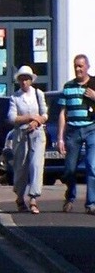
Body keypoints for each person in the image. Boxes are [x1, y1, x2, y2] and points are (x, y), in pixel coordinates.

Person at [57, 54, 95, 214]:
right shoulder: (68, 87)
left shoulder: (94, 84)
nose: (78, 69)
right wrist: (60, 138)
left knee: (92, 167)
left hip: (92, 128)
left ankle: (91, 203)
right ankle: (70, 197)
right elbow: (62, 113)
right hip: (73, 131)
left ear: (87, 67)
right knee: (70, 169)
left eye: (81, 66)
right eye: (76, 66)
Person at [8, 65, 47, 215]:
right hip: (21, 135)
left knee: (36, 165)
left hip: (37, 133)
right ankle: (19, 197)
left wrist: (37, 121)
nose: (24, 82)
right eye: (22, 79)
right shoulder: (15, 97)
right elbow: (12, 118)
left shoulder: (38, 94)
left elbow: (45, 114)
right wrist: (30, 118)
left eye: (27, 79)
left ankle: (33, 198)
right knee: (21, 167)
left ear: (31, 80)